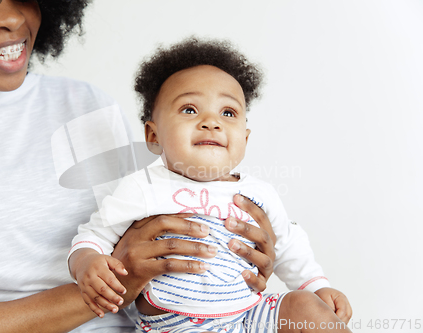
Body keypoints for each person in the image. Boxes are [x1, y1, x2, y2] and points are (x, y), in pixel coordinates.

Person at [0, 1, 277, 332]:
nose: (12, 19)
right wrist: (108, 288)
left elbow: (155, 227)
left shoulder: (83, 103)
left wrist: (239, 253)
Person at [68, 38, 353, 333]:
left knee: (305, 307)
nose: (211, 122)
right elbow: (94, 235)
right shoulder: (143, 187)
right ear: (153, 136)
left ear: (245, 138)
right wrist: (86, 261)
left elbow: (289, 243)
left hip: (248, 314)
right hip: (172, 323)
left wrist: (318, 287)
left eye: (227, 113)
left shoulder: (258, 194)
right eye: (190, 110)